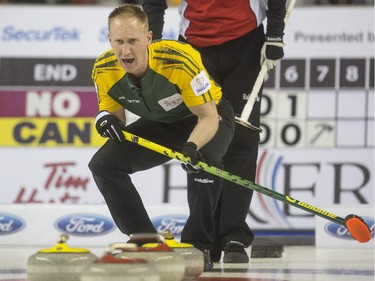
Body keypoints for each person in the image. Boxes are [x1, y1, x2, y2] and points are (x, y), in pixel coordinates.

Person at [88, 3, 235, 271]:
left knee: (204, 163)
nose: (125, 50)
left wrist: (192, 146)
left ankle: (197, 246)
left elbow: (208, 117)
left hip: (206, 117)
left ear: (148, 38)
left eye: (132, 41)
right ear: (109, 40)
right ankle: (144, 241)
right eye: (118, 41)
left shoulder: (178, 59)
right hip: (162, 123)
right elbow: (116, 121)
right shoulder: (103, 69)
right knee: (103, 165)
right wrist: (104, 120)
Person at [143, 0, 286, 263]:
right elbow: (153, 3)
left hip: (245, 45)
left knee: (241, 138)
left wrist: (275, 33)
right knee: (202, 140)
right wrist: (152, 44)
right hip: (193, 49)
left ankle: (234, 235)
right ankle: (200, 240)